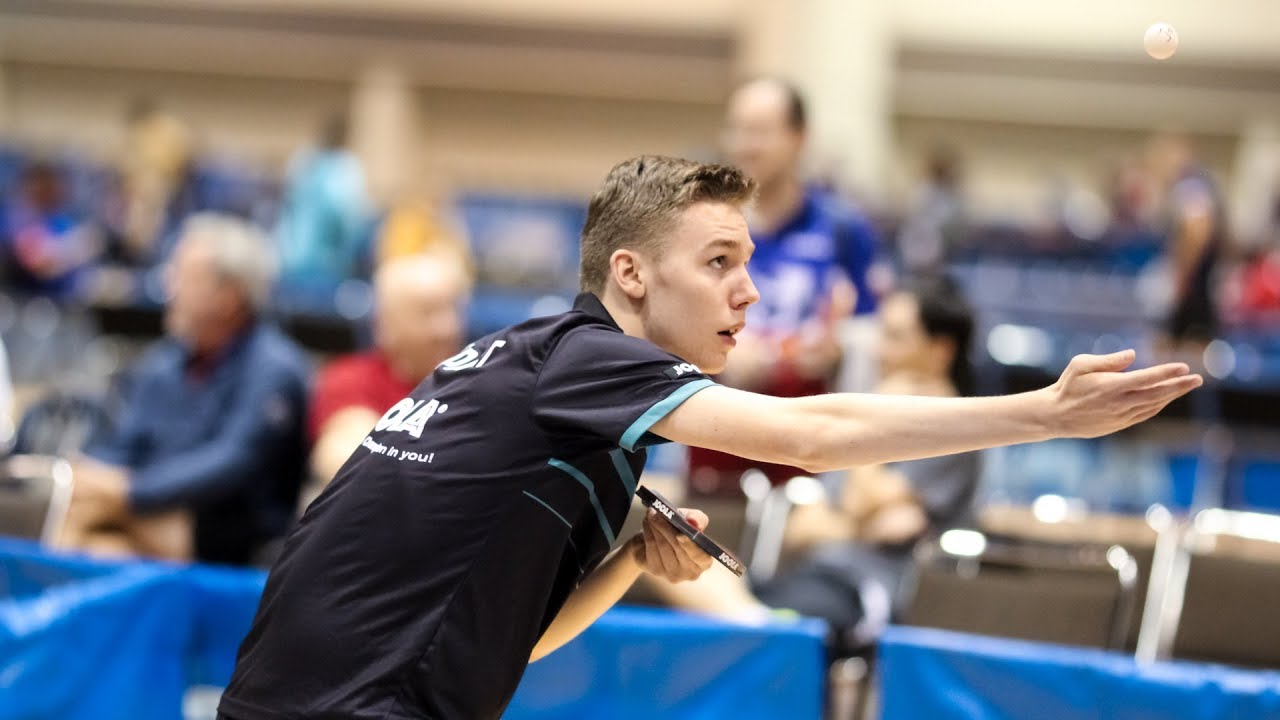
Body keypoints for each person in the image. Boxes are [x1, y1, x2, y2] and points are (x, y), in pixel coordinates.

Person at [218, 156, 1200, 720]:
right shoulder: (585, 360)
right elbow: (810, 436)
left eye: (751, 260)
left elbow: (513, 641)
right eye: (720, 260)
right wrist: (1036, 412)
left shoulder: (537, 379)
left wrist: (613, 564)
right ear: (634, 275)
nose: (749, 290)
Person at [645, 279, 982, 637]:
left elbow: (862, 503)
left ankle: (760, 628)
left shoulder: (952, 438)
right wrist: (864, 524)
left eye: (896, 337)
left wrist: (880, 404)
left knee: (758, 617)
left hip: (860, 593)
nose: (879, 350)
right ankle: (757, 624)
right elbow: (802, 528)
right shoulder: (865, 422)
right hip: (806, 577)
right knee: (672, 564)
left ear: (941, 349)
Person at [56, 213, 310, 565]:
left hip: (224, 538)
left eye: (183, 276)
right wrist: (91, 477)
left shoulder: (275, 368)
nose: (168, 286)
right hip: (147, 517)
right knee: (79, 535)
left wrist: (130, 492)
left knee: (81, 532)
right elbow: (124, 442)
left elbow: (232, 461)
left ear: (228, 296)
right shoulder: (165, 361)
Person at [688, 77, 882, 495]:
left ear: (799, 137)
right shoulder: (697, 223)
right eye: (736, 130)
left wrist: (837, 352)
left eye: (759, 132)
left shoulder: (844, 228)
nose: (745, 145)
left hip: (805, 431)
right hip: (715, 424)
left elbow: (871, 329)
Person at [302, 253, 470, 509]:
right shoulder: (351, 379)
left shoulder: (478, 384)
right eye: (427, 313)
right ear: (384, 325)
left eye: (452, 310)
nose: (447, 328)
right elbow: (347, 463)